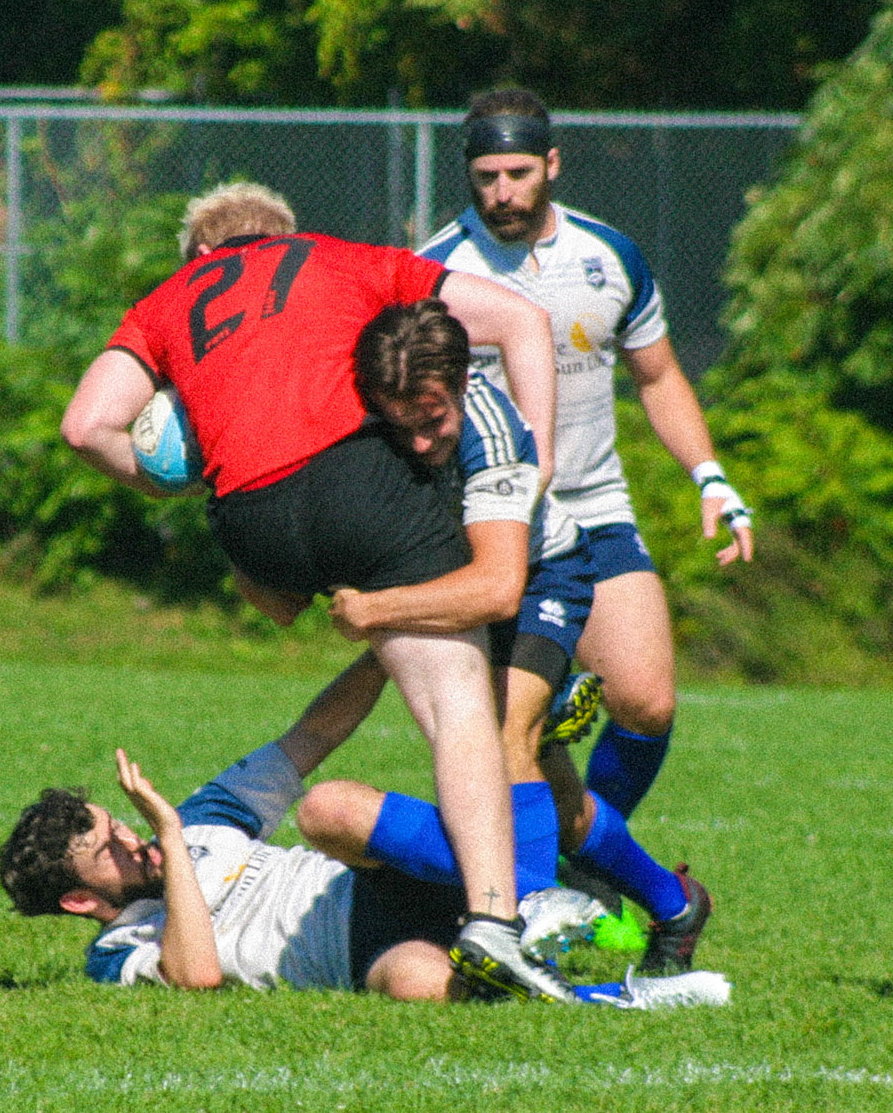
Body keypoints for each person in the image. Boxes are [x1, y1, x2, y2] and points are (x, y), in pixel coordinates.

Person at [59, 181, 568, 1000]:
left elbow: (84, 427)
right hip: (352, 484)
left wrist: (174, 486)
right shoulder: (331, 256)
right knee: (457, 703)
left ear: (196, 257)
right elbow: (519, 319)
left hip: (250, 522)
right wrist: (535, 459)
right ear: (283, 236)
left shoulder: (164, 304)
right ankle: (494, 920)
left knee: (299, 600)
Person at [309, 299, 712, 976]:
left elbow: (497, 587)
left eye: (432, 420)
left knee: (501, 741)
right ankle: (673, 903)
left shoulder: (494, 434)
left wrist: (374, 608)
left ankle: (518, 918)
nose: (416, 442)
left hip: (538, 580)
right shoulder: (371, 413)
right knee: (553, 800)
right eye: (398, 423)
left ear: (465, 383)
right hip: (459, 585)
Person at [421, 90, 754, 820]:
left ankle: (594, 857)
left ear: (552, 163)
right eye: (486, 177)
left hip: (595, 505)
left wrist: (711, 476)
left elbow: (659, 376)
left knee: (647, 699)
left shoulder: (607, 255)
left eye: (517, 172)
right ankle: (543, 881)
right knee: (515, 729)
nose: (502, 192)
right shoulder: (435, 272)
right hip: (489, 522)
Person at [0, 717, 731, 1008]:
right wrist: (168, 833)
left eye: (117, 823)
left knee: (327, 807)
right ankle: (633, 995)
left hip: (363, 885)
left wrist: (381, 635)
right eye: (108, 848)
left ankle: (535, 895)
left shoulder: (207, 816)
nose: (130, 838)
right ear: (79, 901)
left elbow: (312, 733)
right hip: (360, 954)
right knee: (419, 985)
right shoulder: (115, 950)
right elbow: (199, 974)